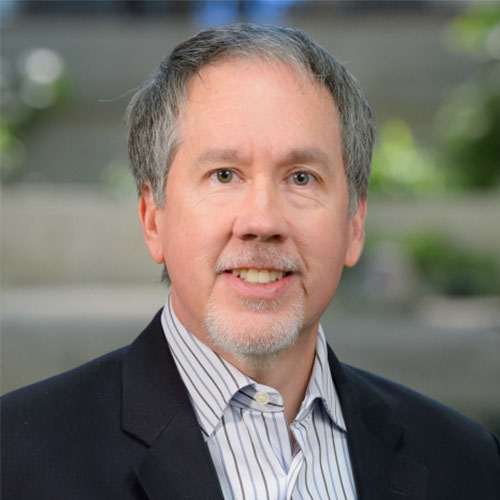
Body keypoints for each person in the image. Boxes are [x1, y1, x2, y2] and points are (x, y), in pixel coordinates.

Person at [1, 23, 499, 500]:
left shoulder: (467, 461)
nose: (262, 220)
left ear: (354, 225)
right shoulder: (17, 459)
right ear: (154, 219)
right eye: (224, 175)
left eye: (301, 178)